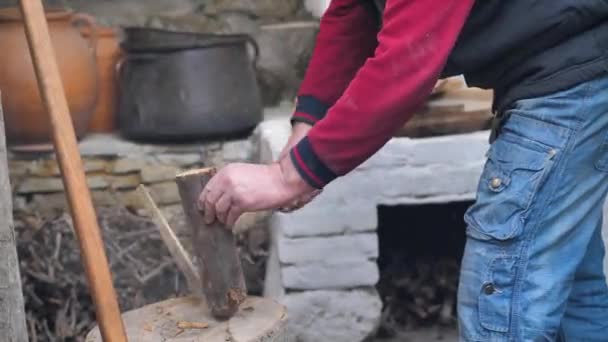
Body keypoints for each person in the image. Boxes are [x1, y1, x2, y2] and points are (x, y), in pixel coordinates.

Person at [198, 1, 608, 340]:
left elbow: (408, 61)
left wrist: (288, 177)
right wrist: (306, 129)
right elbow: (353, 12)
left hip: (569, 78)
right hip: (571, 67)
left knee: (501, 308)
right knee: (572, 291)